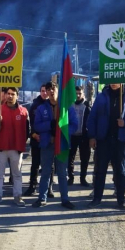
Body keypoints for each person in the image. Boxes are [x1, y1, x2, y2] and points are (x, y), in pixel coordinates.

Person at [88, 83, 125, 211]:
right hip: (103, 139)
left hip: (121, 140)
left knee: (120, 171)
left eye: (117, 80)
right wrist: (92, 136)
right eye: (112, 80)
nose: (114, 83)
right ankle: (97, 198)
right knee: (100, 170)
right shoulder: (101, 97)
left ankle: (121, 200)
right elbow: (92, 117)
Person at [32, 81, 77, 210]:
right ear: (46, 92)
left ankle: (65, 199)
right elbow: (37, 125)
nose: (51, 92)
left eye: (53, 89)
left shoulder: (66, 107)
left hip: (61, 144)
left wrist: (63, 131)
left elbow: (74, 124)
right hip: (47, 144)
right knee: (46, 171)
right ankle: (42, 198)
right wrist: (50, 125)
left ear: (58, 90)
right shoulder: (41, 108)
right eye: (48, 90)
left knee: (62, 173)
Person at [0, 87, 29, 207]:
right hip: (1, 147)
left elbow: (27, 130)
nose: (10, 96)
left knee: (17, 174)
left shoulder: (23, 111)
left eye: (13, 94)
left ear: (17, 96)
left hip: (16, 148)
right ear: (5, 95)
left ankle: (18, 196)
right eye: (8, 94)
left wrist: (21, 144)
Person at [24, 84, 51, 196]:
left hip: (49, 139)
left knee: (49, 165)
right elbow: (30, 123)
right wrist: (33, 134)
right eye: (43, 91)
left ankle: (49, 188)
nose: (45, 93)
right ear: (40, 92)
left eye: (46, 91)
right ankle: (32, 186)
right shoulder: (34, 105)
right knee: (35, 164)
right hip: (36, 139)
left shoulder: (54, 104)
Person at [68, 86, 92, 187]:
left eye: (80, 93)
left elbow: (91, 122)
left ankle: (83, 178)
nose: (78, 95)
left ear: (83, 94)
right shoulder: (69, 105)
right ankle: (70, 178)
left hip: (84, 136)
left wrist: (91, 136)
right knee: (70, 158)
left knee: (85, 159)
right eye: (76, 93)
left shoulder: (87, 106)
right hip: (72, 135)